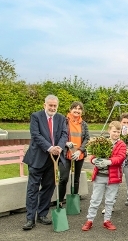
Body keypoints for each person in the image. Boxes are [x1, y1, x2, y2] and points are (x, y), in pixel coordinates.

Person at [22, 95, 68, 231]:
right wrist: (50, 148)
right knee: (32, 189)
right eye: (50, 105)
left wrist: (59, 147)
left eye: (55, 106)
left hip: (52, 161)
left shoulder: (60, 118)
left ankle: (42, 214)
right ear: (45, 105)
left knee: (49, 187)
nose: (52, 108)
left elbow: (64, 134)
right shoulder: (36, 117)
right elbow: (35, 135)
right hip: (37, 158)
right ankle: (30, 218)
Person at [82, 121, 127, 231]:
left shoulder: (122, 144)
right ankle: (90, 220)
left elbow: (121, 157)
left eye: (118, 131)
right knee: (95, 199)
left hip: (113, 177)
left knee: (110, 200)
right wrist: (94, 160)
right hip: (100, 176)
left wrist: (108, 162)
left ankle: (107, 220)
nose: (116, 134)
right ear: (109, 131)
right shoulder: (102, 142)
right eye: (114, 131)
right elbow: (92, 155)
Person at [59, 102, 90, 207]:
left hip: (78, 154)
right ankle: (60, 201)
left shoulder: (84, 124)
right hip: (65, 153)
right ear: (70, 109)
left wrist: (80, 150)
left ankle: (74, 202)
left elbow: (87, 138)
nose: (77, 110)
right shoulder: (64, 121)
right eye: (75, 108)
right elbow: (58, 135)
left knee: (76, 179)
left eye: (79, 109)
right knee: (64, 178)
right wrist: (66, 143)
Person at [119, 112, 128, 209]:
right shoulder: (117, 133)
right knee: (113, 183)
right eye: (124, 122)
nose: (126, 124)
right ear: (120, 123)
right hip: (118, 162)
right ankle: (109, 204)